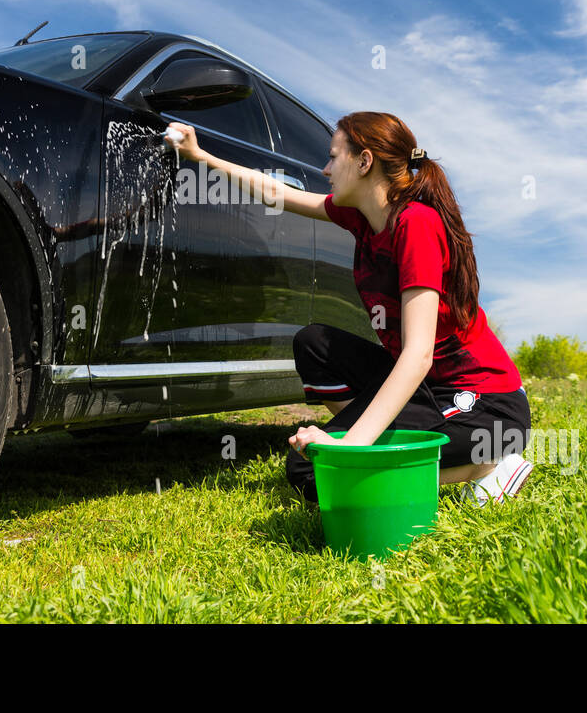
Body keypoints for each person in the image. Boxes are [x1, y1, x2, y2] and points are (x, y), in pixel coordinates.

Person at [164, 111, 532, 508]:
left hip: (485, 406)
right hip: (427, 390)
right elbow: (279, 194)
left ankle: (488, 466)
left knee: (312, 471)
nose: (324, 169)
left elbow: (419, 354)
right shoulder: (362, 219)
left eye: (333, 157)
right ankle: (377, 439)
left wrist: (352, 446)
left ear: (364, 161)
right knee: (314, 343)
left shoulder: (416, 225)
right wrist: (202, 157)